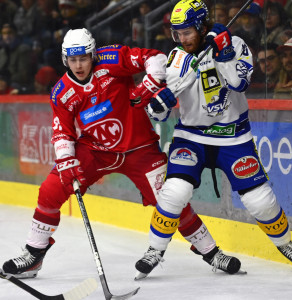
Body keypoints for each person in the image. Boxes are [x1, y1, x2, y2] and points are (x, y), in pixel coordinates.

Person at [2, 28, 240, 279]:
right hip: (95, 151)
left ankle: (212, 253)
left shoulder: (112, 59)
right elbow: (62, 130)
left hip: (139, 149)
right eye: (72, 60)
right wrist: (65, 160)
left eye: (83, 58)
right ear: (65, 60)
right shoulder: (62, 92)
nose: (79, 65)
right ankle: (33, 255)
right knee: (50, 190)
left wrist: (149, 84)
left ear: (93, 54)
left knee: (172, 201)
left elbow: (156, 58)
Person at [135, 0, 292, 278]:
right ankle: (155, 250)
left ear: (201, 26)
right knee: (174, 191)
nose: (182, 39)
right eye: (177, 33)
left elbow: (240, 83)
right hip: (191, 137)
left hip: (233, 136)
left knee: (260, 200)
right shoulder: (175, 58)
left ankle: (286, 244)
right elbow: (161, 111)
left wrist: (224, 53)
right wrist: (159, 106)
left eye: (187, 32)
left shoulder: (234, 44)